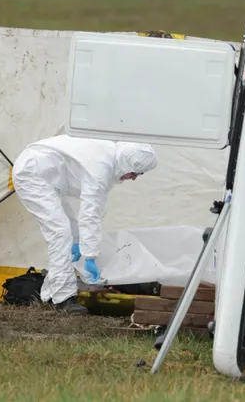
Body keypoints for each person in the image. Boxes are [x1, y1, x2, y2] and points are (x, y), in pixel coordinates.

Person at [11, 134, 158, 314]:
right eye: (136, 173)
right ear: (128, 164)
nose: (134, 178)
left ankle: (50, 294)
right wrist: (90, 256)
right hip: (31, 174)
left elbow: (87, 212)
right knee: (60, 232)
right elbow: (90, 214)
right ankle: (63, 299)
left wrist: (79, 242)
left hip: (41, 173)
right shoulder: (101, 167)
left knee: (68, 230)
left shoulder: (108, 156)